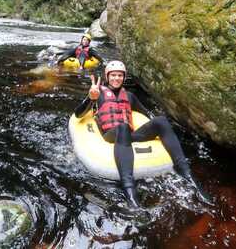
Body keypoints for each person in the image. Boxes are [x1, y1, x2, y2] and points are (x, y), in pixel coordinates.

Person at [74, 60, 212, 208]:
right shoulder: (98, 93)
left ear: (124, 77)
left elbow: (147, 115)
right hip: (110, 134)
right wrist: (90, 98)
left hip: (129, 134)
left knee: (161, 121)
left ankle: (187, 174)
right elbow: (78, 114)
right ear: (107, 77)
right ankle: (129, 191)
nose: (116, 78)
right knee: (123, 127)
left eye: (120, 75)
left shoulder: (130, 96)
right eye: (113, 75)